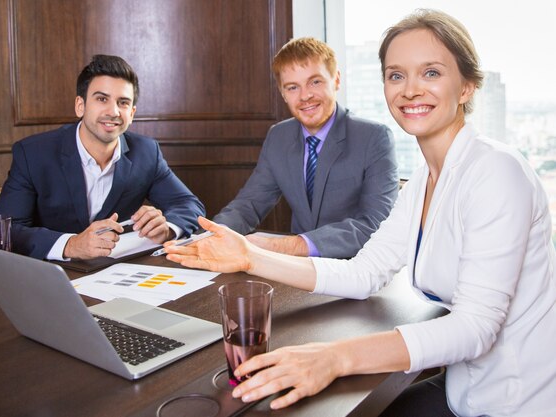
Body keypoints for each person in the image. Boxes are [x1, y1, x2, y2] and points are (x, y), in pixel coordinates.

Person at [165, 9, 556, 416]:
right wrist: (251, 256)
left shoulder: (496, 171)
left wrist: (335, 357)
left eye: (432, 73)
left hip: (516, 401)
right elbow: (364, 272)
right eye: (396, 75)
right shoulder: (425, 180)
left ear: (467, 87)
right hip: (465, 389)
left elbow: (474, 329)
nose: (410, 90)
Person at [0, 54, 205, 260]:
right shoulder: (33, 153)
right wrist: (71, 245)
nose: (113, 111)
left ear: (131, 114)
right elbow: (6, 231)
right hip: (49, 279)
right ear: (80, 105)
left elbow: (189, 205)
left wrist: (167, 228)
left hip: (115, 275)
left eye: (123, 102)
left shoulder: (146, 152)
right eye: (102, 99)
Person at [213, 37, 398, 259]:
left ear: (336, 80)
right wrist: (214, 236)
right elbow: (249, 204)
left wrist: (289, 246)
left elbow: (375, 225)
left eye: (315, 82)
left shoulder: (374, 137)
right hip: (298, 272)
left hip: (355, 268)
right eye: (292, 87)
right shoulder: (278, 136)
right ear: (283, 93)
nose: (305, 96)